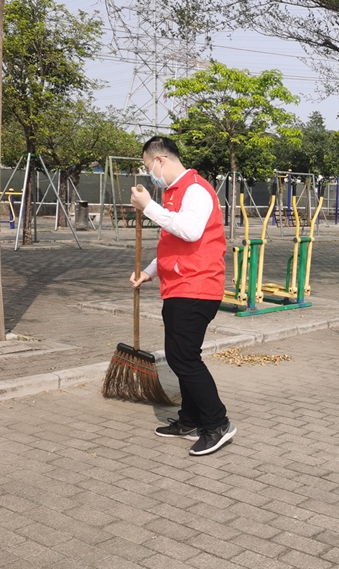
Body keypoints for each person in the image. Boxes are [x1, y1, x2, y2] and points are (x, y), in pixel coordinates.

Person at [129, 136, 236, 457]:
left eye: (148, 167)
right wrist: (149, 272)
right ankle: (190, 419)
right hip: (180, 286)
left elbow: (190, 231)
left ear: (160, 160)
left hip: (197, 287)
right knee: (182, 356)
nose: (150, 175)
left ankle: (217, 424)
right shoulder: (175, 193)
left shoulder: (196, 189)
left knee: (183, 358)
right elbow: (174, 243)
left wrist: (149, 207)